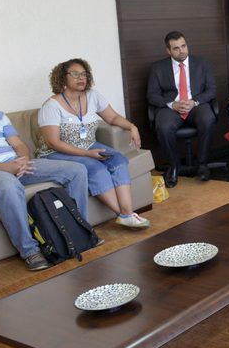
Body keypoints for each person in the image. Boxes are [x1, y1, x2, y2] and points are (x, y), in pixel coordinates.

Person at [0, 76, 91, 271]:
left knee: (76, 170)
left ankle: (80, 233)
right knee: (8, 185)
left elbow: (19, 144)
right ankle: (30, 251)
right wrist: (6, 168)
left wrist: (22, 161)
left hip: (17, 165)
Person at [36, 59, 149, 229]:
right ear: (62, 78)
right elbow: (53, 142)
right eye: (75, 74)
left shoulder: (93, 96)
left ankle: (128, 213)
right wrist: (87, 154)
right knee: (96, 168)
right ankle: (123, 215)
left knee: (118, 160)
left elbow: (112, 117)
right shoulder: (51, 106)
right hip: (56, 152)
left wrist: (132, 126)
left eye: (84, 74)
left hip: (88, 144)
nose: (81, 77)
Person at [147, 31, 217, 187]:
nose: (182, 51)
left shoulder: (202, 63)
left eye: (183, 46)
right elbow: (152, 95)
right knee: (164, 127)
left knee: (208, 119)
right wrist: (173, 104)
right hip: (171, 108)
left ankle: (202, 163)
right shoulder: (158, 68)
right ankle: (174, 167)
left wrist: (194, 102)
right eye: (176, 48)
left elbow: (211, 90)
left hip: (196, 105)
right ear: (168, 51)